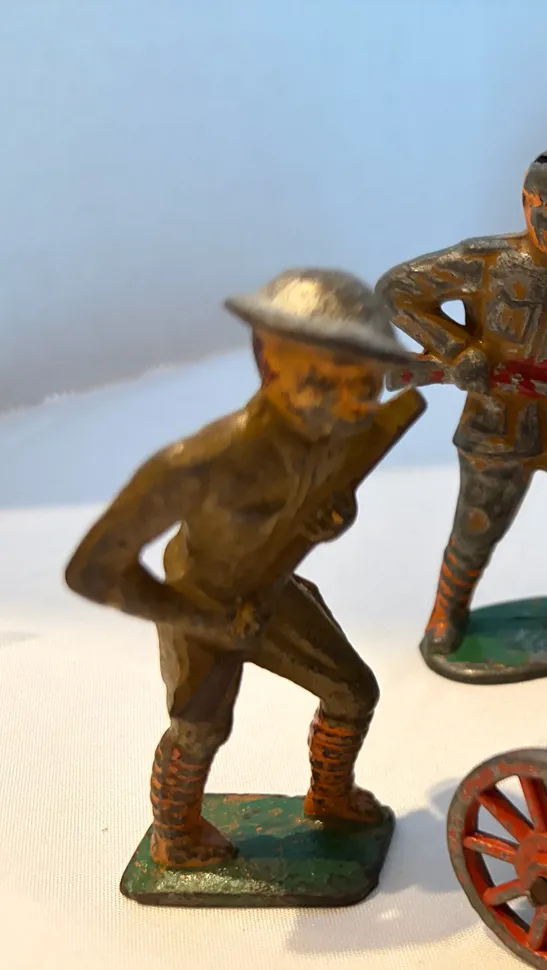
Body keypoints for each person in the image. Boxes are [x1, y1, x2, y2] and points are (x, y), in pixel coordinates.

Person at [64, 269, 424, 868]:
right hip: (197, 605)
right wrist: (201, 618)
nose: (350, 404)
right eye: (324, 380)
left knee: (353, 691)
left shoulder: (343, 434)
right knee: (199, 730)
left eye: (365, 384)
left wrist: (333, 518)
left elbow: (317, 503)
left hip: (272, 593)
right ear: (269, 358)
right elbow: (93, 571)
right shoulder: (201, 462)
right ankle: (175, 833)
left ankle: (330, 795)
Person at [377, 149, 547, 662]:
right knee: (477, 529)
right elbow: (395, 292)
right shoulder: (485, 261)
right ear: (527, 201)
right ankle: (447, 612)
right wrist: (456, 349)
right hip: (496, 428)